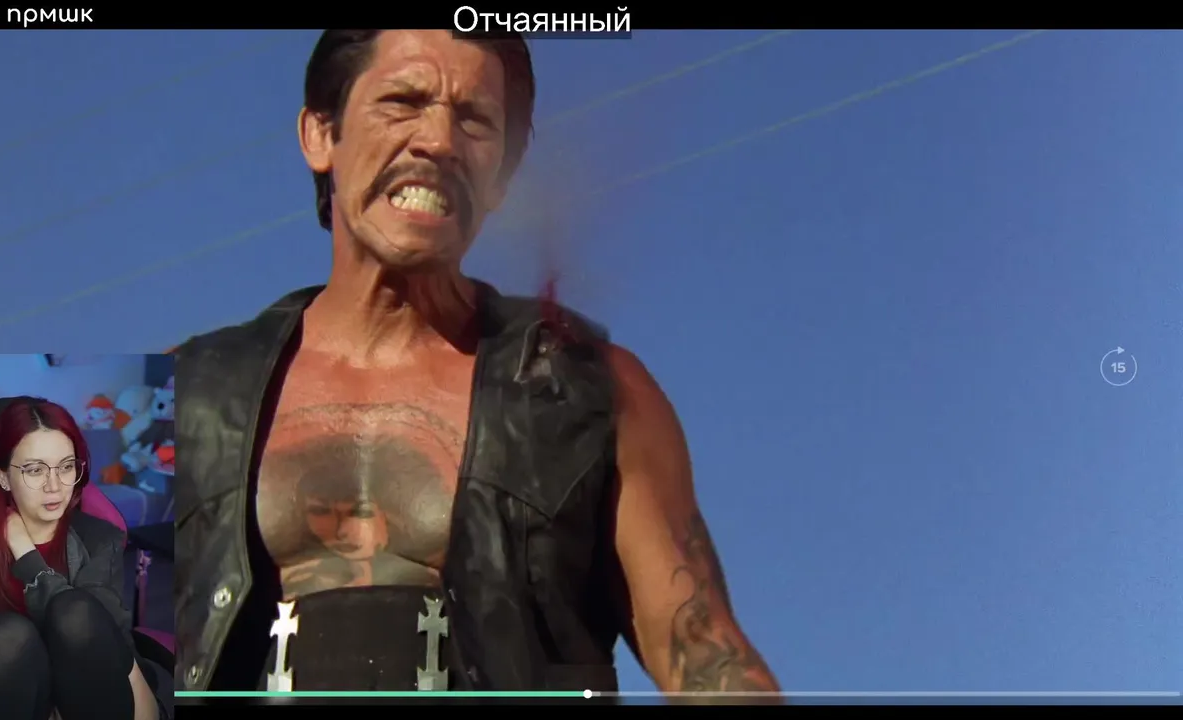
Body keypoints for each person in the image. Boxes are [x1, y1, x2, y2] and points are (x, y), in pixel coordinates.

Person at [174, 29, 781, 701]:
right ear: (321, 134)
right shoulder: (183, 391)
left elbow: (709, 661)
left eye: (475, 120)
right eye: (403, 102)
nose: (439, 142)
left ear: (504, 174)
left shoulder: (591, 390)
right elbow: (114, 664)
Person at [0, 397, 160, 720]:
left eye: (66, 467)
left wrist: (25, 553)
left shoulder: (98, 540)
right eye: (35, 470)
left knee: (73, 611)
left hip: (81, 706)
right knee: (10, 636)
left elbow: (105, 644)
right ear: (2, 477)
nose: (55, 486)